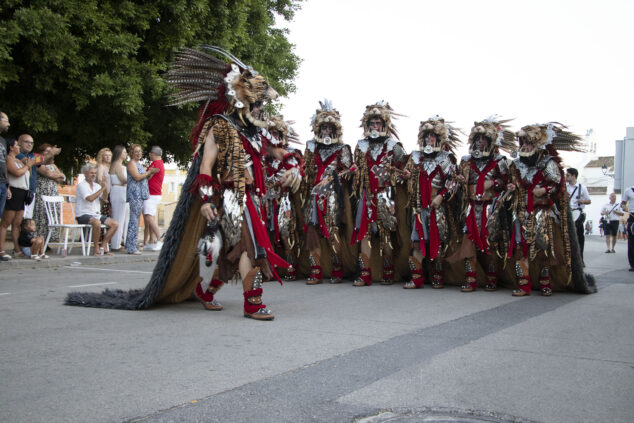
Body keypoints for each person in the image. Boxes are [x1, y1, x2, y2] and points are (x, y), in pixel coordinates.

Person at [66, 46, 290, 321]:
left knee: (235, 251)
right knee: (248, 247)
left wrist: (294, 169)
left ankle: (204, 290)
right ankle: (252, 303)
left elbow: (279, 157)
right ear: (241, 98)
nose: (262, 106)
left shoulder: (256, 134)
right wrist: (207, 199)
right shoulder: (220, 125)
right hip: (232, 198)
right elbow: (206, 167)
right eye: (258, 100)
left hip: (254, 199)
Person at [506, 123, 595, 296]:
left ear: (537, 144)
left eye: (529, 142)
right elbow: (512, 182)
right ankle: (524, 284)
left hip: (543, 212)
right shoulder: (516, 164)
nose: (525, 145)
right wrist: (510, 187)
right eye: (523, 141)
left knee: (543, 247)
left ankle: (545, 282)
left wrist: (544, 190)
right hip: (521, 211)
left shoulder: (549, 163)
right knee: (520, 247)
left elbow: (557, 185)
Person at [450, 117, 514, 292]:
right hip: (470, 206)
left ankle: (492, 279)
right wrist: (460, 180)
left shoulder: (500, 161)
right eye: (477, 139)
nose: (480, 142)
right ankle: (471, 280)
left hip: (489, 208)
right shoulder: (466, 160)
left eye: (483, 139)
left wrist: (492, 183)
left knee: (490, 243)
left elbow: (506, 182)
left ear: (491, 141)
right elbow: (457, 182)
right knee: (468, 242)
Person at [350, 101, 407, 286]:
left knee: (386, 234)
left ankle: (388, 272)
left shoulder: (394, 145)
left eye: (378, 124)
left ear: (384, 125)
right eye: (372, 123)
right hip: (366, 194)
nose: (375, 127)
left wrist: (400, 174)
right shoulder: (360, 145)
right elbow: (356, 166)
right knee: (364, 233)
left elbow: (404, 167)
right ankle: (365, 273)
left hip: (386, 194)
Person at [302, 100, 356, 285]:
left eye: (329, 128)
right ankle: (315, 271)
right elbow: (305, 168)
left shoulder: (343, 148)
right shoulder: (310, 146)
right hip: (313, 194)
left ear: (335, 130)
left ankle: (337, 268)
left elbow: (349, 170)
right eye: (323, 128)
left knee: (333, 231)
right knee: (312, 231)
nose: (326, 131)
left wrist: (333, 176)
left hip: (332, 194)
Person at [403, 116, 460, 289]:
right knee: (417, 241)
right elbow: (406, 173)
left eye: (433, 135)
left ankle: (438, 276)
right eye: (426, 136)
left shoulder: (446, 158)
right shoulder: (415, 157)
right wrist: (403, 176)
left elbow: (453, 182)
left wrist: (441, 195)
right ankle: (417, 277)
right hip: (419, 206)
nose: (429, 139)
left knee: (439, 241)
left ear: (439, 138)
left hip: (438, 207)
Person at [263, 116, 303, 280]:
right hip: (265, 200)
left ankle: (291, 268)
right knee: (266, 234)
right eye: (270, 133)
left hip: (284, 199)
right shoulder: (261, 155)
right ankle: (270, 270)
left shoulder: (291, 153)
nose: (274, 137)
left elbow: (300, 168)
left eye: (276, 133)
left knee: (286, 233)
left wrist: (294, 174)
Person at [0, 138, 35, 260]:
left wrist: (28, 165)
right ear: (11, 147)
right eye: (17, 145)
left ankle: (16, 249)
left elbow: (27, 173)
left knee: (17, 223)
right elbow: (17, 173)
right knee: (5, 223)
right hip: (14, 190)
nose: (19, 148)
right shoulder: (9, 159)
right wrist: (27, 165)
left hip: (22, 192)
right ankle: (1, 250)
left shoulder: (19, 160)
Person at [75, 163, 118, 256]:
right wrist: (102, 189)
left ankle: (103, 246)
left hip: (95, 214)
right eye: (91, 173)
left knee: (114, 224)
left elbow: (105, 199)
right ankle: (96, 248)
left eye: (95, 173)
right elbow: (90, 199)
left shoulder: (97, 186)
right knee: (97, 223)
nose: (94, 175)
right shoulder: (82, 185)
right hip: (83, 214)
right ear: (85, 173)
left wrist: (105, 188)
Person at [125, 144, 158, 254]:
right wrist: (149, 172)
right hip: (135, 195)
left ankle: (132, 244)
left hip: (140, 194)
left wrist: (150, 174)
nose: (138, 153)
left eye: (140, 151)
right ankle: (131, 246)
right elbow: (137, 177)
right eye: (136, 151)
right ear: (131, 153)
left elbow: (144, 177)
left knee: (136, 220)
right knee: (134, 220)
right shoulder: (131, 164)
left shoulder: (139, 164)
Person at [33, 143, 65, 240]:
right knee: (41, 216)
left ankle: (48, 240)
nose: (50, 153)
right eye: (46, 151)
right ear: (41, 152)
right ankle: (39, 239)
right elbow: (48, 173)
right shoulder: (36, 160)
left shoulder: (52, 164)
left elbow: (62, 178)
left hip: (52, 193)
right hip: (42, 193)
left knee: (51, 216)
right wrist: (55, 175)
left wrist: (56, 175)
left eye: (50, 151)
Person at [142, 145, 165, 251]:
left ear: (153, 154)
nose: (150, 155)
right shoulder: (158, 163)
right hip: (154, 193)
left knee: (148, 216)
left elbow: (147, 176)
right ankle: (152, 241)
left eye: (150, 153)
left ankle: (159, 239)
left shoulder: (156, 164)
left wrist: (149, 173)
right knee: (151, 217)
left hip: (152, 194)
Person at [565, 167, 591, 260]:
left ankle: (580, 258)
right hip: (567, 213)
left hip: (577, 213)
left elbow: (589, 201)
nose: (566, 177)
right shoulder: (564, 187)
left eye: (567, 175)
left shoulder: (582, 187)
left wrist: (582, 201)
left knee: (579, 236)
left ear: (573, 176)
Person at [108, 145, 129, 251]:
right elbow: (123, 179)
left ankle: (123, 241)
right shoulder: (117, 165)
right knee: (119, 218)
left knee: (124, 218)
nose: (126, 154)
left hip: (122, 191)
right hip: (119, 191)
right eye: (124, 152)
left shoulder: (120, 165)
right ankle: (115, 244)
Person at [16, 134, 37, 220]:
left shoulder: (32, 155)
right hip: (20, 190)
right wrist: (51, 152)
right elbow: (31, 161)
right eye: (27, 142)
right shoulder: (18, 154)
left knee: (28, 218)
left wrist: (51, 154)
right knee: (19, 219)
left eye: (32, 143)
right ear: (19, 143)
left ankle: (25, 234)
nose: (29, 144)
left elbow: (46, 161)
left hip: (31, 190)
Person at [95, 148, 112, 222]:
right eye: (106, 155)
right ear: (102, 157)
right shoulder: (101, 167)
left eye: (109, 155)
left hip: (111, 193)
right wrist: (104, 191)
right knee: (102, 212)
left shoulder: (111, 167)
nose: (108, 157)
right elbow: (99, 179)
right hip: (103, 193)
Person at [621, 185, 634, 271]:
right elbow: (623, 204)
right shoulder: (628, 190)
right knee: (632, 241)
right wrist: (624, 208)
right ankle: (632, 264)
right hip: (633, 216)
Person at [0, 111, 10, 221]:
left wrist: (7, 186)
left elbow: (4, 164)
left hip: (3, 184)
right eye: (6, 120)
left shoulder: (3, 141)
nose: (9, 124)